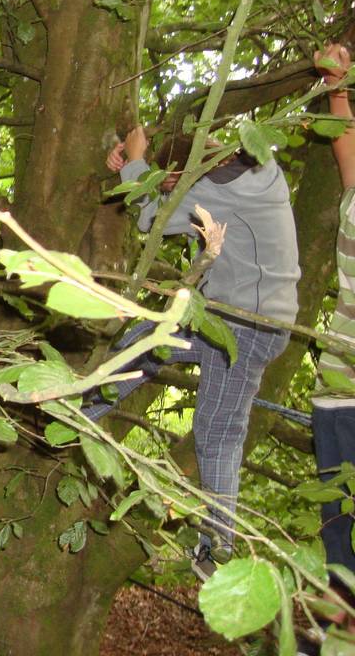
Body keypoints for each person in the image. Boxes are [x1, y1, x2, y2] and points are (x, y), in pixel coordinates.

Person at [87, 125, 300, 577]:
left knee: (218, 432)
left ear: (188, 171)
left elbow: (152, 219)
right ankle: (80, 410)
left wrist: (139, 168)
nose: (170, 184)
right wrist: (136, 167)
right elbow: (165, 197)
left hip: (246, 327)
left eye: (173, 177)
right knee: (146, 341)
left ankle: (217, 550)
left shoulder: (215, 191)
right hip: (226, 318)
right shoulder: (256, 172)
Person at [313, 42, 355, 578]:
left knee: (340, 542)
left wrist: (336, 85)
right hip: (341, 395)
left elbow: (346, 145)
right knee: (339, 543)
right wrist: (335, 86)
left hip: (340, 397)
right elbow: (345, 144)